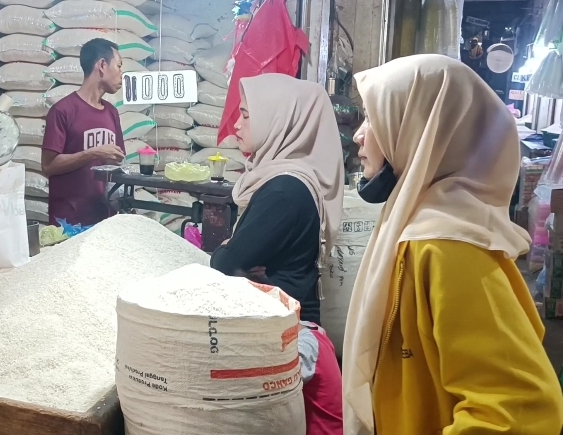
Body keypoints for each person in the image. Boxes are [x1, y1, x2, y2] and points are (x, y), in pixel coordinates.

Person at [342, 54, 563, 435]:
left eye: (373, 117)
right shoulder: (420, 228)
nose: (360, 135)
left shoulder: (447, 247)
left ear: (421, 128)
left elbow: (518, 408)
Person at [209, 73, 344, 434]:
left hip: (291, 342)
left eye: (247, 115)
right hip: (291, 335)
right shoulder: (286, 179)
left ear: (280, 121)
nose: (237, 125)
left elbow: (225, 264)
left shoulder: (284, 190)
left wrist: (227, 254)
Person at [41, 38, 126, 227]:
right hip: (69, 223)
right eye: (119, 66)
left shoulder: (112, 113)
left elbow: (118, 159)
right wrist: (93, 153)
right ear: (102, 65)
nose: (122, 74)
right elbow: (48, 166)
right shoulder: (63, 110)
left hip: (104, 220)